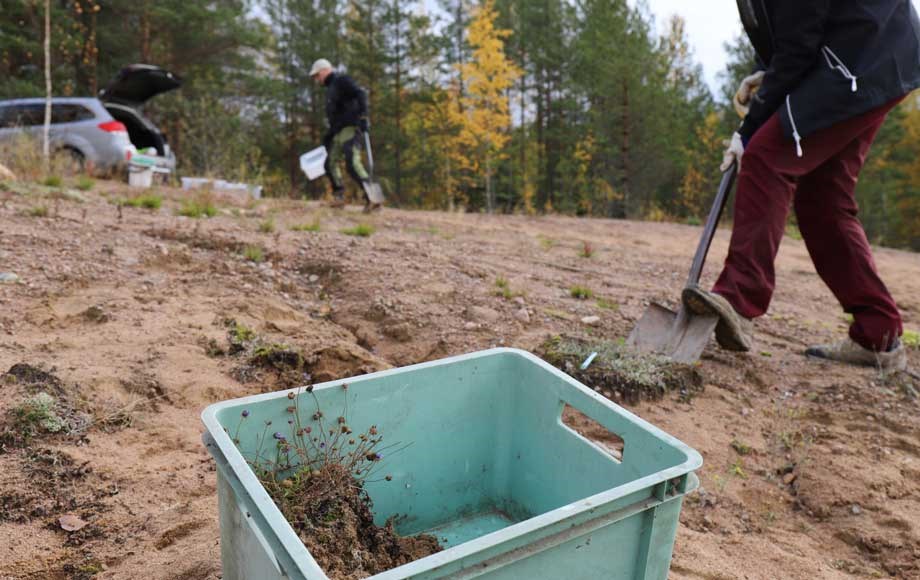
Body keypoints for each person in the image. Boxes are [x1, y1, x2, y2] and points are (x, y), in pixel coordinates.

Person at [682, 0, 920, 371]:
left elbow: (798, 44)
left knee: (765, 157)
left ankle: (739, 297)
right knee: (822, 200)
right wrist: (765, 72)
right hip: (873, 50)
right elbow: (793, 25)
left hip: (866, 55)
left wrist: (749, 129)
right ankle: (879, 334)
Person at [309, 58, 379, 212]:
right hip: (338, 131)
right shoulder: (330, 89)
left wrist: (364, 116)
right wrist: (329, 135)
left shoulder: (341, 81)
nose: (316, 79)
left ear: (324, 70)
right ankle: (338, 197)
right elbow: (336, 115)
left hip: (351, 127)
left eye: (316, 75)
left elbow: (360, 93)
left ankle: (374, 198)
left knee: (352, 163)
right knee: (329, 163)